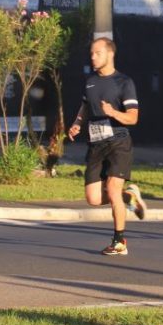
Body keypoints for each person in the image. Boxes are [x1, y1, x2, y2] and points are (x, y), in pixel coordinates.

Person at [68, 38, 147, 256]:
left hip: (118, 141)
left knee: (112, 188)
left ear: (110, 54)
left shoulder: (124, 82)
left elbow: (133, 118)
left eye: (97, 53)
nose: (93, 57)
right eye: (91, 53)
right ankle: (127, 196)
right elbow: (85, 106)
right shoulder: (90, 81)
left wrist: (113, 113)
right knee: (93, 198)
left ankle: (119, 241)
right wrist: (77, 123)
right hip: (95, 143)